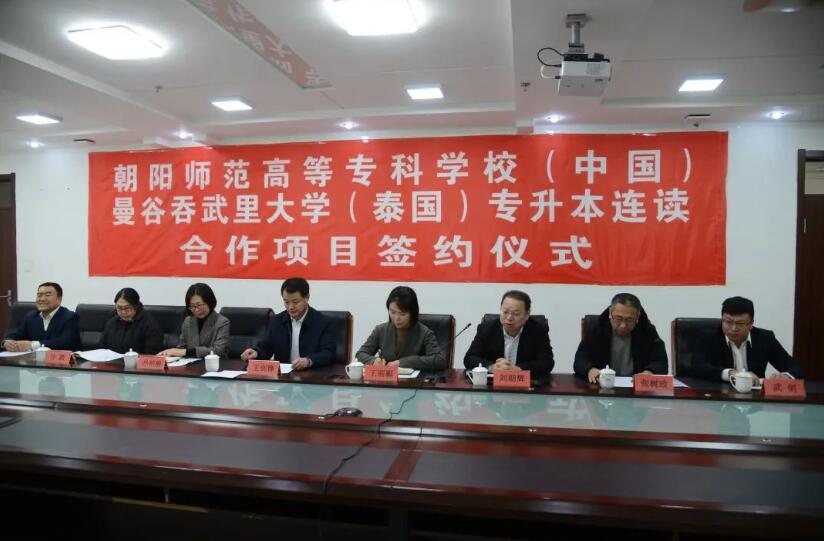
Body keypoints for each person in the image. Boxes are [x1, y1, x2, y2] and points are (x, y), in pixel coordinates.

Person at [690, 296, 802, 386]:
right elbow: (697, 367)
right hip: (719, 398)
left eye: (740, 323)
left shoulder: (765, 338)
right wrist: (731, 373)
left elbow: (794, 367)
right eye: (728, 322)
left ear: (751, 324)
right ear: (722, 319)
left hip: (755, 400)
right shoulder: (707, 337)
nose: (733, 328)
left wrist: (786, 376)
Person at [240, 277, 335, 370]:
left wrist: (308, 361)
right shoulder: (277, 321)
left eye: (295, 302)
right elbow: (266, 347)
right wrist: (256, 353)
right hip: (284, 375)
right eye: (286, 302)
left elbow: (328, 353)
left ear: (307, 297)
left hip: (311, 373)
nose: (290, 307)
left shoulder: (322, 322)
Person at [574, 293, 668, 383]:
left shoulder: (647, 330)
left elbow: (660, 361)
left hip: (635, 387)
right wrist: (590, 370)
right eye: (618, 319)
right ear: (610, 313)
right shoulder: (598, 328)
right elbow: (580, 359)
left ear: (637, 316)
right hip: (603, 386)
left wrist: (649, 372)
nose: (623, 325)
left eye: (630, 320)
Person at [463, 290, 554, 378]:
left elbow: (547, 362)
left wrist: (519, 369)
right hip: (492, 384)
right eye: (505, 312)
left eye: (516, 314)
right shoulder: (486, 329)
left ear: (527, 315)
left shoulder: (538, 330)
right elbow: (470, 358)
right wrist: (492, 367)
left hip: (525, 385)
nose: (509, 318)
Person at [355, 286, 445, 370]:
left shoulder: (425, 333)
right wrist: (373, 361)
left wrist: (402, 363)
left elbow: (438, 360)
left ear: (412, 313)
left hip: (414, 381)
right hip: (386, 379)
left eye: (402, 314)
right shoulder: (381, 330)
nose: (396, 318)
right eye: (392, 312)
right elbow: (361, 353)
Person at [2, 282, 80, 352]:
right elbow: (17, 335)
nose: (42, 299)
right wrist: (7, 342)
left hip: (62, 362)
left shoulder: (70, 317)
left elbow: (65, 342)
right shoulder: (31, 317)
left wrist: (33, 345)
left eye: (47, 295)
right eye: (39, 295)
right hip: (33, 360)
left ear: (59, 299)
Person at [158, 283, 229, 359]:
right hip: (191, 364)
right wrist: (170, 354)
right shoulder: (188, 321)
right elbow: (181, 347)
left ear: (209, 302)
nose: (196, 310)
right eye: (192, 306)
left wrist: (185, 352)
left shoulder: (222, 322)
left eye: (199, 305)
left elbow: (219, 351)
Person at [99, 287, 163, 354]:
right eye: (119, 308)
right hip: (112, 360)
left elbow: (152, 353)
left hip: (137, 360)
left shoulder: (149, 324)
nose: (123, 312)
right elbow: (102, 348)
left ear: (136, 306)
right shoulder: (111, 323)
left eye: (127, 308)